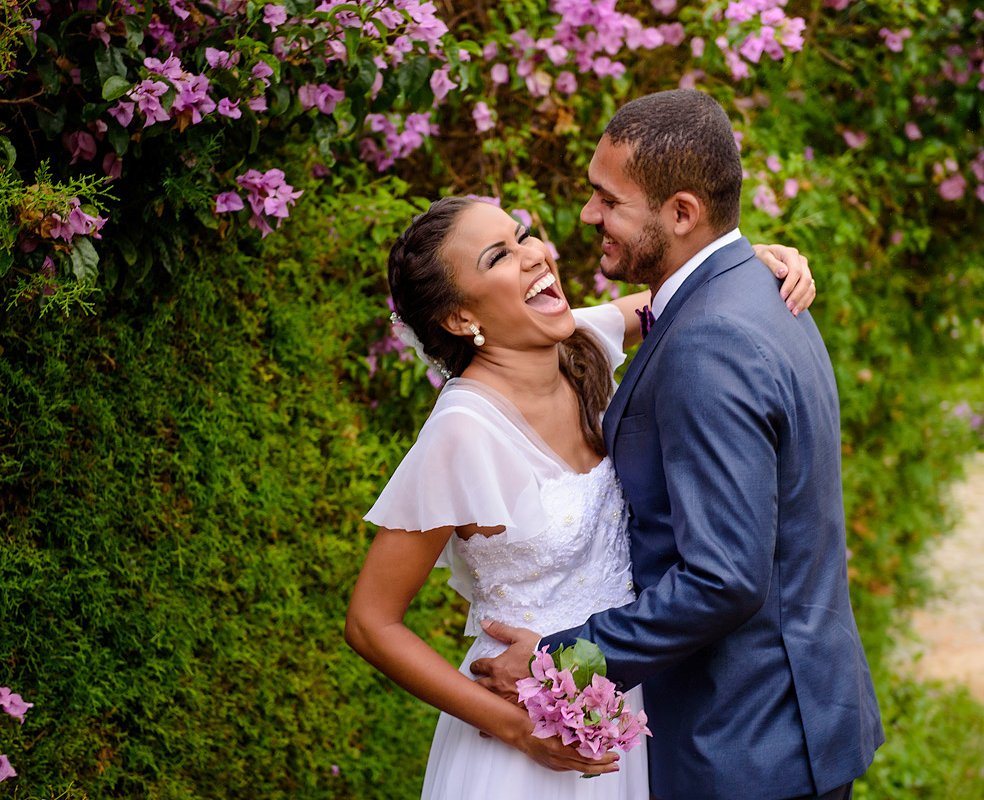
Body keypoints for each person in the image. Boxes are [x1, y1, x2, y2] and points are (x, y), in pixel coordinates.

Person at [471, 90, 884, 800]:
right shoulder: (757, 286)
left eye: (609, 200)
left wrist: (557, 662)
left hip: (743, 744)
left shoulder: (710, 341)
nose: (589, 215)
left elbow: (723, 579)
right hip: (790, 723)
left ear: (683, 213)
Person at [344, 188, 815, 797]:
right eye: (499, 256)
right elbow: (371, 623)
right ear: (460, 319)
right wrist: (518, 729)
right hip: (524, 727)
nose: (535, 253)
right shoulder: (461, 432)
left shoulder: (579, 343)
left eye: (522, 235)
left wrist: (756, 261)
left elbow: (689, 291)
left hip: (625, 698)